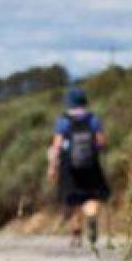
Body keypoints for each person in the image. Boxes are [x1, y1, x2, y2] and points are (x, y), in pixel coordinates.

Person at [47, 86, 110, 248]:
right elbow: (102, 142)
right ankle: (91, 216)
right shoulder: (93, 119)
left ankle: (76, 234)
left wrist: (52, 167)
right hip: (91, 164)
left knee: (74, 198)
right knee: (91, 195)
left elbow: (56, 146)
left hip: (70, 165)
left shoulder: (63, 121)